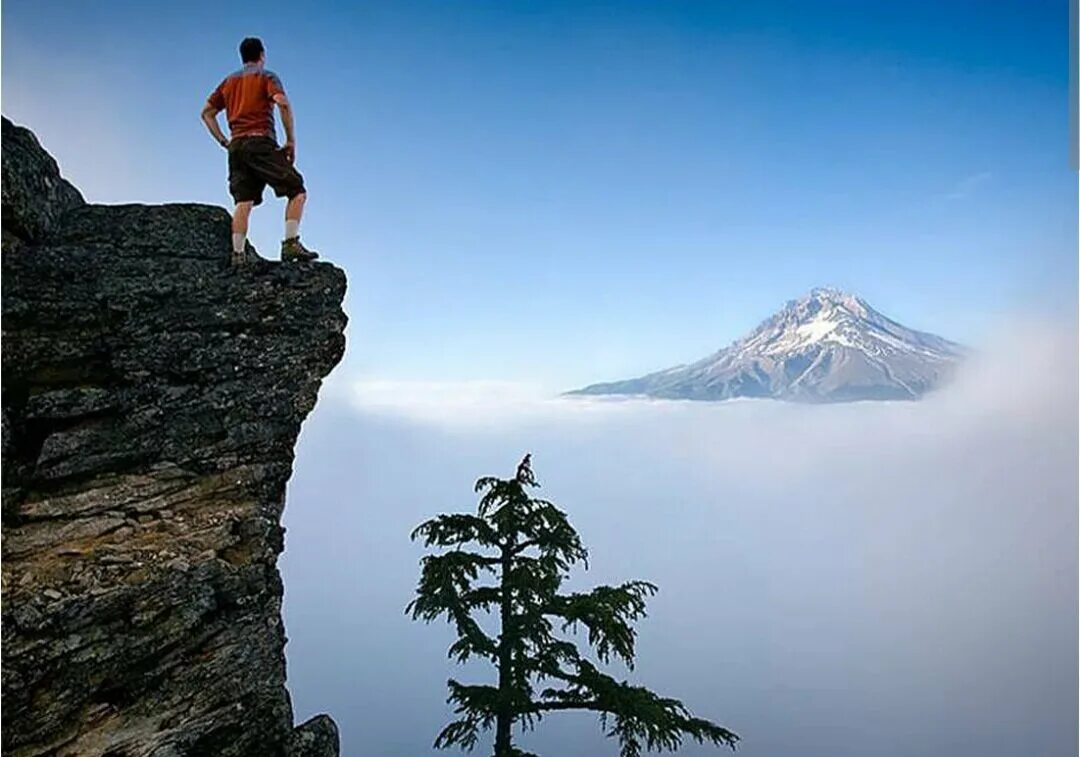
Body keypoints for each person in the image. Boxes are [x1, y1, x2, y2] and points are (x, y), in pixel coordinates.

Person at [201, 37, 318, 265]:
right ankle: (291, 243)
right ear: (262, 55)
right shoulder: (266, 76)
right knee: (297, 189)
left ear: (242, 56)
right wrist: (291, 140)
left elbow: (206, 112)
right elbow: (283, 103)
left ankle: (237, 255)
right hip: (259, 141)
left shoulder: (228, 83)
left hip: (236, 147)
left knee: (243, 201)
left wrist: (223, 140)